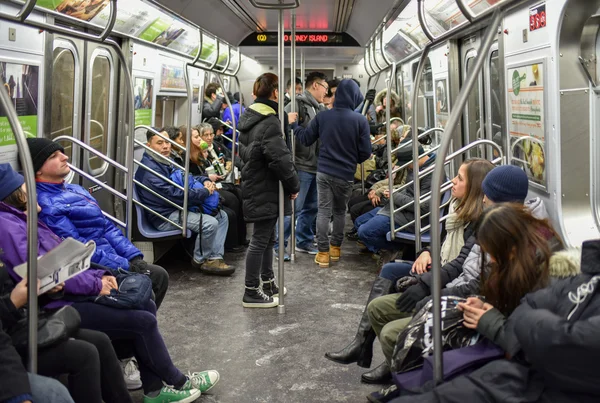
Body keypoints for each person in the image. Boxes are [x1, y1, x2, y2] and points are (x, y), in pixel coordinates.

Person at [0, 164, 220, 403]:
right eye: (25, 187)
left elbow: (90, 240)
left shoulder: (28, 217)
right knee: (141, 319)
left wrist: (115, 267)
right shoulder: (13, 225)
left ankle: (155, 389)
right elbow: (45, 266)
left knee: (145, 302)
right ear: (14, 193)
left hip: (78, 282)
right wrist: (98, 281)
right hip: (57, 302)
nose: (64, 158)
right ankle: (175, 381)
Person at [364, 165, 556, 386]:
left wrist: (434, 296)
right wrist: (425, 282)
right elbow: (459, 263)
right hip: (462, 293)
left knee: (391, 332)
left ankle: (407, 377)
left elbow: (478, 285)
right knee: (378, 306)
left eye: (459, 178)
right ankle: (389, 364)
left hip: (470, 304)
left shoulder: (509, 234)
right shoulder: (473, 217)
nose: (453, 181)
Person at [388, 209, 587, 403]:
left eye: (493, 254)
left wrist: (489, 320)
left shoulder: (549, 281)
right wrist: (485, 305)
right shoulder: (521, 263)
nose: (491, 260)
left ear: (510, 249)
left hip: (527, 371)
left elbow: (530, 344)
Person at [325, 159, 494, 371]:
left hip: (447, 276)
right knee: (389, 269)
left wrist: (424, 281)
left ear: (474, 187)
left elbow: (459, 264)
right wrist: (426, 252)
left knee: (375, 240)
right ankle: (362, 342)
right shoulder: (455, 209)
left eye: (459, 178)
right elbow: (440, 243)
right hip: (440, 265)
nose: (453, 181)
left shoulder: (478, 222)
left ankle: (389, 360)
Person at [25, 137, 169, 310]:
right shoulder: (47, 205)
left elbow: (106, 226)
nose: (65, 157)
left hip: (110, 257)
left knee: (159, 276)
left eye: (62, 153)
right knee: (147, 292)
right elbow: (78, 248)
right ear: (38, 170)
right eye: (54, 156)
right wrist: (125, 266)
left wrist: (133, 257)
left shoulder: (75, 189)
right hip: (92, 266)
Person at [292, 79, 372, 268]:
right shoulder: (360, 120)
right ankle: (336, 248)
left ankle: (322, 253)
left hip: (324, 171)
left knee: (323, 211)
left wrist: (294, 126)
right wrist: (352, 159)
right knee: (339, 212)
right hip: (345, 174)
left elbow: (305, 138)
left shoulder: (323, 117)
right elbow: (366, 152)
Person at [237, 72, 300, 308]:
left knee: (268, 236)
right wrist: (293, 184)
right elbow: (280, 159)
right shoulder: (271, 122)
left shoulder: (250, 118)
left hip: (256, 182)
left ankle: (267, 282)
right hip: (266, 185)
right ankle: (250, 291)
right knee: (261, 238)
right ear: (275, 92)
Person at [135, 129, 234, 275]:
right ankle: (200, 259)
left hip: (176, 207)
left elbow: (189, 177)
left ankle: (214, 258)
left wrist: (205, 180)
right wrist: (205, 192)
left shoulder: (165, 161)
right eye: (160, 143)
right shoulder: (150, 172)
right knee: (209, 223)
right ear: (149, 145)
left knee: (222, 217)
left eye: (167, 142)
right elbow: (176, 195)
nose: (166, 146)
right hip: (165, 215)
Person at [355, 144, 440, 269]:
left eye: (407, 163)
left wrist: (394, 196)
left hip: (410, 217)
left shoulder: (431, 173)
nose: (406, 167)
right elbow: (407, 189)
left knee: (365, 232)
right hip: (399, 209)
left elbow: (423, 207)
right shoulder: (416, 167)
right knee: (359, 222)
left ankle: (394, 248)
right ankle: (393, 247)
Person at [274, 72, 329, 257]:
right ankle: (279, 246)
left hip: (317, 164)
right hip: (301, 164)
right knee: (293, 209)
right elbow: (280, 126)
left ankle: (303, 241)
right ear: (315, 85)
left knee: (312, 206)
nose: (326, 92)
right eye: (325, 87)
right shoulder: (295, 104)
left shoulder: (320, 108)